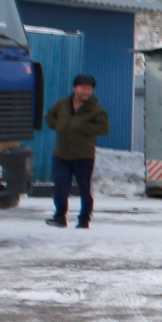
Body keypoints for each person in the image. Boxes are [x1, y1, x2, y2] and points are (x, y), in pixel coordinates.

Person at [44, 73, 110, 229]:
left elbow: (104, 129)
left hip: (83, 156)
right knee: (60, 187)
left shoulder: (97, 110)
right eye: (83, 88)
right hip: (61, 155)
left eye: (89, 89)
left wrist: (84, 128)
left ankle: (84, 219)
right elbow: (50, 116)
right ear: (75, 88)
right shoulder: (62, 104)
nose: (86, 92)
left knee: (84, 189)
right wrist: (57, 125)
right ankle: (60, 216)